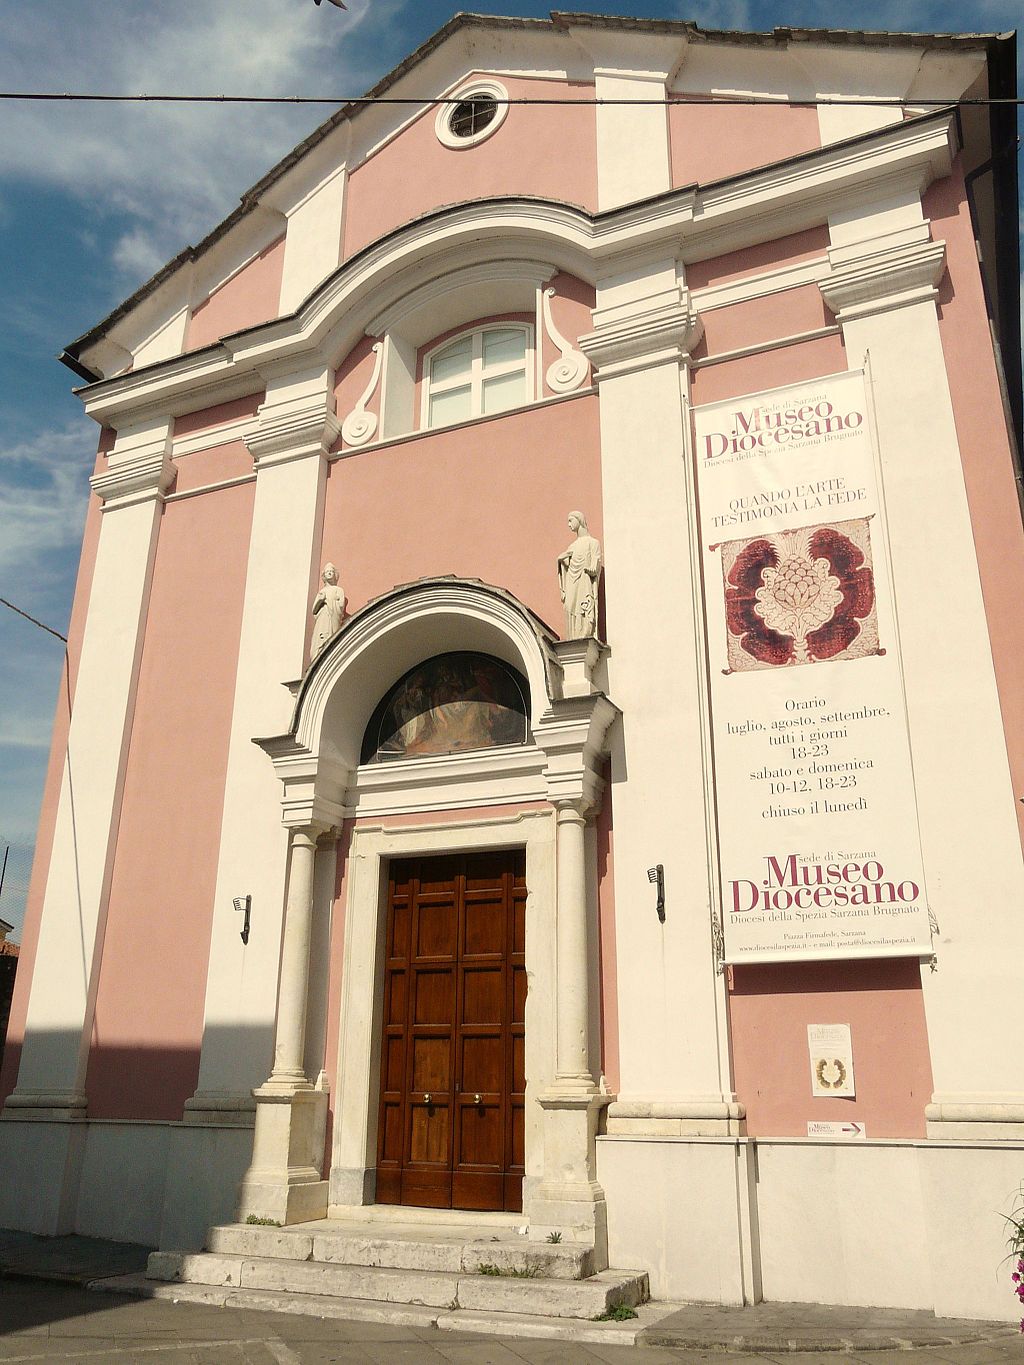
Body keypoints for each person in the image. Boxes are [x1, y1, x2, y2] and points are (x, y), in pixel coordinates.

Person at [557, 511, 602, 639]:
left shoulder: (593, 543)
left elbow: (595, 564)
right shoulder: (572, 546)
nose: (568, 524)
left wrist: (590, 569)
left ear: (579, 520)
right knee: (569, 607)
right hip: (572, 583)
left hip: (584, 582)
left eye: (571, 520)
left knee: (584, 607)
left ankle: (585, 633)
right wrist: (562, 560)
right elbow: (568, 566)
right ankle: (573, 636)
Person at [311, 563, 346, 656]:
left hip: (333, 618)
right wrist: (320, 600)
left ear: (335, 575)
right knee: (320, 638)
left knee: (330, 637)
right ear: (324, 576)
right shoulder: (322, 591)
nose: (329, 573)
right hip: (322, 619)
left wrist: (330, 602)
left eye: (331, 571)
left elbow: (341, 605)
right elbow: (314, 610)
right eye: (327, 572)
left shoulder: (339, 590)